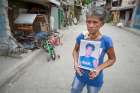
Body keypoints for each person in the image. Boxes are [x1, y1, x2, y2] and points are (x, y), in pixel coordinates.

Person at [71, 7, 116, 93]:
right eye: (88, 21)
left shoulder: (106, 41)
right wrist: (76, 63)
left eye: (95, 22)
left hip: (95, 79)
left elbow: (112, 59)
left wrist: (99, 68)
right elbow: (75, 51)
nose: (91, 25)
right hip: (79, 75)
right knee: (74, 90)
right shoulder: (82, 37)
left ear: (102, 24)